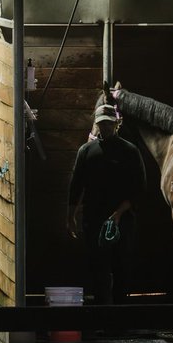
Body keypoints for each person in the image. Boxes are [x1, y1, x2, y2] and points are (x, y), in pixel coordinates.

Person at [66, 103, 146, 306]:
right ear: (97, 124)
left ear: (116, 124)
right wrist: (70, 216)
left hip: (122, 221)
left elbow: (139, 189)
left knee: (121, 268)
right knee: (98, 269)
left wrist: (118, 214)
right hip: (94, 219)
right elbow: (76, 185)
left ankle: (118, 319)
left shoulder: (130, 152)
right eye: (101, 124)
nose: (105, 128)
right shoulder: (86, 152)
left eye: (108, 124)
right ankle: (103, 316)